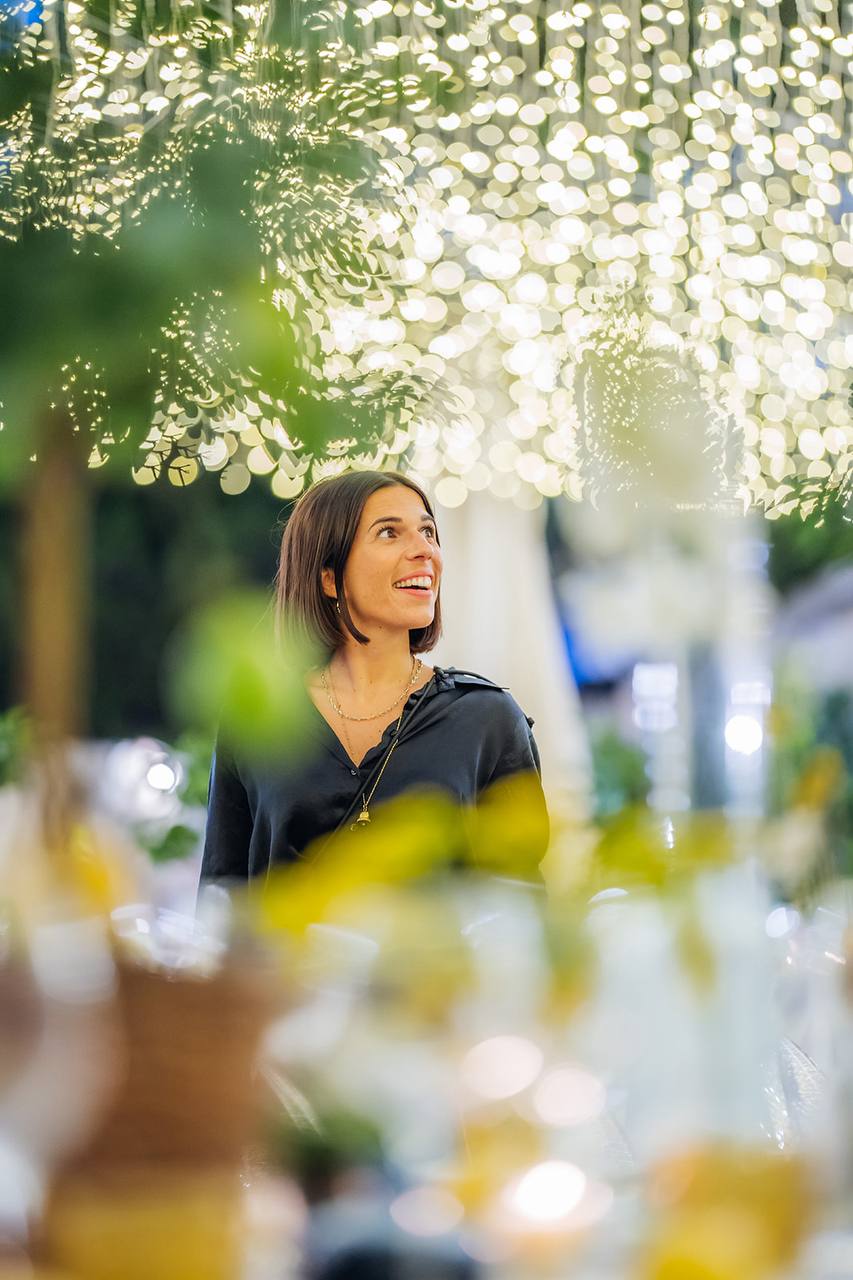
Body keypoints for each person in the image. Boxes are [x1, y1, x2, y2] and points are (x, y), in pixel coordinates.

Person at [199, 470, 548, 885]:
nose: (425, 551)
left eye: (428, 532)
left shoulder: (487, 718)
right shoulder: (260, 720)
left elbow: (520, 899)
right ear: (329, 576)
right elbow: (222, 891)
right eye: (389, 533)